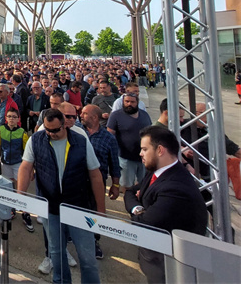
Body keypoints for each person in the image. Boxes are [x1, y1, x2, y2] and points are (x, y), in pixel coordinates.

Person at [18, 108, 105, 284]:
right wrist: (20, 197)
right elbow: (25, 167)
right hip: (51, 208)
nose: (51, 134)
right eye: (48, 130)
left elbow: (95, 174)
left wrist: (100, 209)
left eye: (55, 130)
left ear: (65, 125)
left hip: (78, 207)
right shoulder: (36, 140)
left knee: (87, 258)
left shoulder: (81, 141)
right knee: (56, 253)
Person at [124, 126, 208, 284]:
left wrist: (139, 209)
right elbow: (130, 193)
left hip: (168, 269)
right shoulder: (157, 170)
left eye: (144, 149)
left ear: (160, 150)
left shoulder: (176, 187)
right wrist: (139, 208)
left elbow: (144, 223)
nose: (140, 153)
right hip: (154, 259)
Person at [80, 104, 121, 259]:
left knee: (95, 211)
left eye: (84, 113)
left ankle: (94, 240)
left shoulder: (108, 138)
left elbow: (114, 164)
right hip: (77, 179)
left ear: (94, 117)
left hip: (97, 183)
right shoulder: (78, 132)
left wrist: (115, 185)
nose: (81, 115)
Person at [0, 108, 33, 232]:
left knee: (21, 189)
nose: (11, 119)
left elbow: (28, 154)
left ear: (18, 119)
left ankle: (25, 213)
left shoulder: (22, 133)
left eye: (14, 117)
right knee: (8, 187)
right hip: (5, 163)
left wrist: (31, 169)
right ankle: (11, 208)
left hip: (18, 163)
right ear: (6, 118)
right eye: (9, 116)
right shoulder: (1, 130)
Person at [107, 92, 152, 192]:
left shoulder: (144, 115)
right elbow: (109, 135)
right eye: (127, 101)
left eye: (132, 102)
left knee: (145, 184)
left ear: (137, 103)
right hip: (125, 158)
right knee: (127, 186)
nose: (129, 104)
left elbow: (150, 132)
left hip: (144, 157)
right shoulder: (116, 115)